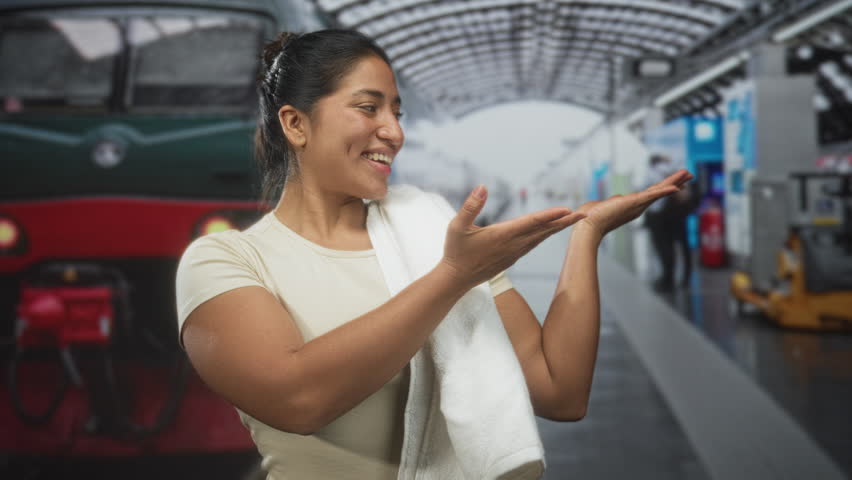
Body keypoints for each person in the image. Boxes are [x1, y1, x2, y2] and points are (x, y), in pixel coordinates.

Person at [175, 29, 692, 479]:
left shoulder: (430, 233)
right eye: (367, 107)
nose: (394, 133)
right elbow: (298, 399)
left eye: (397, 113)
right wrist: (454, 275)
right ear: (295, 124)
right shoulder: (226, 260)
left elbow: (561, 391)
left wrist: (587, 235)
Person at [643, 154, 697, 292]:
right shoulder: (674, 171)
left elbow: (646, 193)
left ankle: (669, 279)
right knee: (679, 247)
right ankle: (682, 278)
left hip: (662, 215)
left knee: (665, 248)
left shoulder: (654, 173)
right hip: (677, 215)